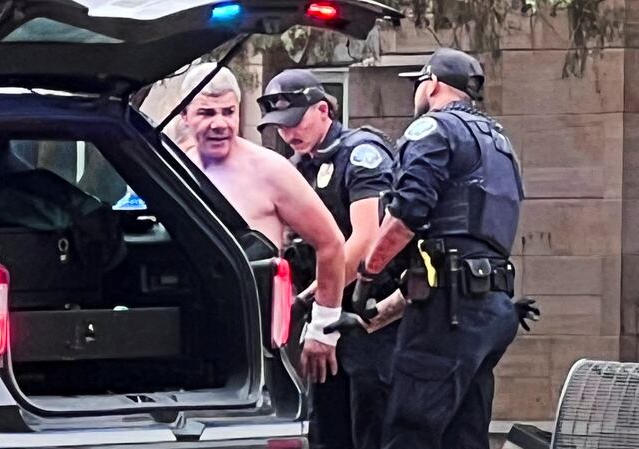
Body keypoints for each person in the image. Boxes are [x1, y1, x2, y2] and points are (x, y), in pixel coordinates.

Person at [354, 48, 524, 449]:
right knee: (464, 435)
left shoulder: (432, 129)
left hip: (448, 314)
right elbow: (460, 249)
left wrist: (368, 274)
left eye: (417, 83)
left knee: (410, 432)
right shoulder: (500, 143)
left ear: (430, 84)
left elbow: (407, 215)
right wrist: (376, 316)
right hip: (491, 309)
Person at [257, 69, 402, 449]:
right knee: (326, 426)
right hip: (324, 313)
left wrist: (310, 301)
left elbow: (366, 239)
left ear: (324, 110)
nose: (289, 133)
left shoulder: (360, 154)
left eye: (295, 122)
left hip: (365, 316)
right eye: (280, 127)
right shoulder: (296, 165)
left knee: (369, 425)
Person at [179, 63, 347, 383]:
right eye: (206, 113)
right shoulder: (173, 168)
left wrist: (324, 327)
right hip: (193, 326)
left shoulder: (271, 170)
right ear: (185, 115)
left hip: (262, 332)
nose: (219, 123)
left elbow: (331, 242)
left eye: (228, 111)